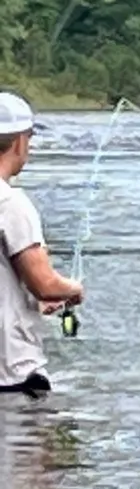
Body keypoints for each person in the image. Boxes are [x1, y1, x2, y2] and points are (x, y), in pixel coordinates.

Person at [0, 93, 83, 397]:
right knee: (32, 444)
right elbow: (46, 285)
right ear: (20, 142)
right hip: (12, 375)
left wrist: (35, 301)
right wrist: (73, 290)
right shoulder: (10, 203)